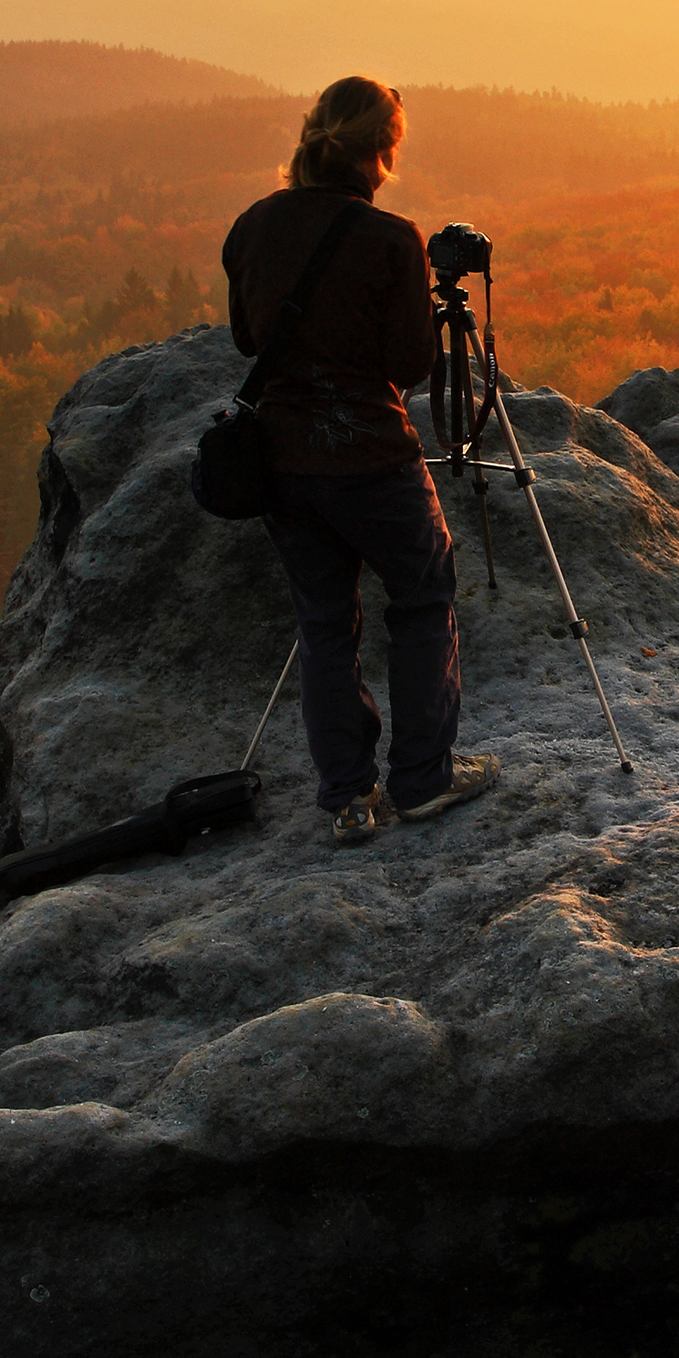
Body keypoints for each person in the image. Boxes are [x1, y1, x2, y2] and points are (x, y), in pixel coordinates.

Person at [220, 76, 498, 843]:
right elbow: (409, 364)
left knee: (323, 623)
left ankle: (347, 796)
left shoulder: (253, 227)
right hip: (372, 459)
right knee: (420, 593)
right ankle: (422, 780)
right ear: (382, 152)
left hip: (283, 463)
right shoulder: (388, 239)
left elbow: (249, 341)